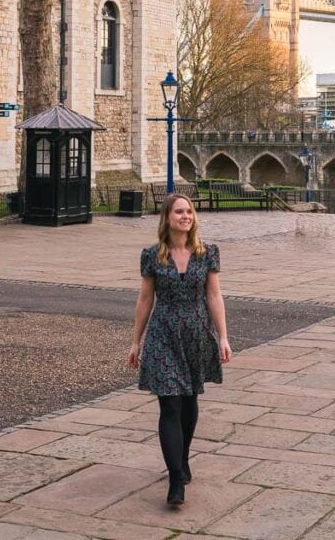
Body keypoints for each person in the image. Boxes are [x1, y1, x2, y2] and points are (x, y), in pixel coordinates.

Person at [128, 194, 231, 508]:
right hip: (163, 335)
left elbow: (214, 296)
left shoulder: (206, 253)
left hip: (196, 335)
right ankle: (175, 480)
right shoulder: (152, 256)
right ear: (167, 217)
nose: (185, 216)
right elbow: (145, 299)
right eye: (178, 211)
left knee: (189, 401)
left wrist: (223, 337)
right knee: (170, 405)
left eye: (188, 211)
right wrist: (136, 341)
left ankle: (183, 458)